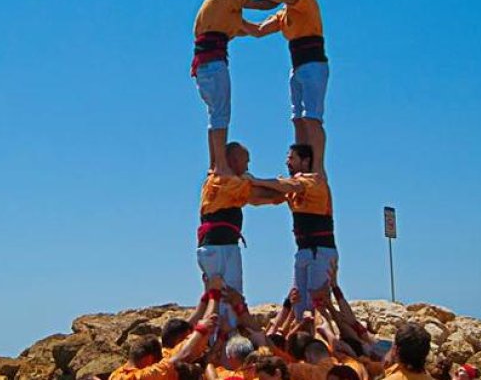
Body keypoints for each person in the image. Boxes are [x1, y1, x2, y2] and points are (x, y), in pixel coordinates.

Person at [247, 0, 329, 168]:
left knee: (312, 118)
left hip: (313, 64)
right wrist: (231, 16)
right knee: (298, 119)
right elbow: (258, 30)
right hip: (298, 66)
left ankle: (317, 166)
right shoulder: (284, 14)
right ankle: (301, 161)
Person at [198, 141, 286, 329]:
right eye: (245, 162)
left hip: (218, 246)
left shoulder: (230, 183)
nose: (247, 166)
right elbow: (258, 193)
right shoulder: (226, 181)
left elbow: (257, 198)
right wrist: (282, 188)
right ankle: (224, 342)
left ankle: (221, 340)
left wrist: (280, 194)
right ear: (233, 160)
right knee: (227, 297)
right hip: (220, 246)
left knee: (223, 296)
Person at [193, 0, 273, 169]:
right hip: (213, 63)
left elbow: (255, 30)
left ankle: (215, 163)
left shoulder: (227, 12)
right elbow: (262, 5)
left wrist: (281, 19)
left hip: (205, 65)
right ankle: (220, 165)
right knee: (220, 114)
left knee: (216, 114)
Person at [250, 144, 337, 317]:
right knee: (299, 306)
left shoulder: (314, 181)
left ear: (305, 161)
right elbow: (266, 197)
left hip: (320, 250)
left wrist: (256, 180)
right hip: (304, 250)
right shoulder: (292, 186)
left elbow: (290, 185)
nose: (287, 161)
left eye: (291, 158)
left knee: (316, 306)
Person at [110, 292, 221, 380]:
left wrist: (207, 296)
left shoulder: (115, 375)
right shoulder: (142, 376)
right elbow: (182, 355)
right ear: (149, 359)